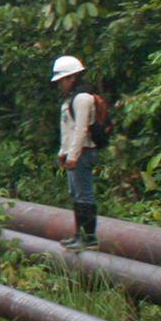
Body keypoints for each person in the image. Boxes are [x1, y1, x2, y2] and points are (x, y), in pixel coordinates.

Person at [52, 54, 99, 250]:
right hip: (75, 153)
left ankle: (88, 237)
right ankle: (79, 234)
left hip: (83, 153)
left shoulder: (82, 99)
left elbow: (81, 130)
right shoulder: (70, 99)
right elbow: (68, 130)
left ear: (72, 78)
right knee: (76, 194)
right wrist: (63, 153)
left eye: (63, 80)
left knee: (84, 195)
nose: (60, 84)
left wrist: (73, 156)